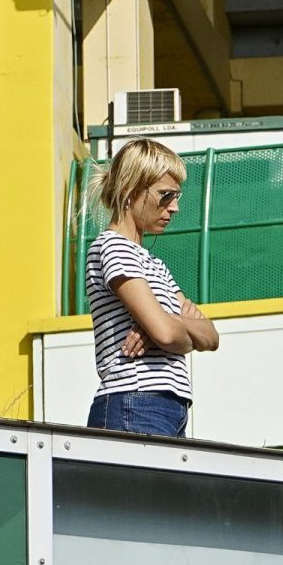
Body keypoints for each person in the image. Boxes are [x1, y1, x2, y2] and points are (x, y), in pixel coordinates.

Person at [84, 138, 219, 437]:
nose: (175, 207)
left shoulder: (155, 265)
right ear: (131, 190)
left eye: (176, 196)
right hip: (134, 402)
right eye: (165, 195)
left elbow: (210, 336)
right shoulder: (112, 248)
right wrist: (170, 327)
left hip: (167, 407)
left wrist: (163, 323)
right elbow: (169, 335)